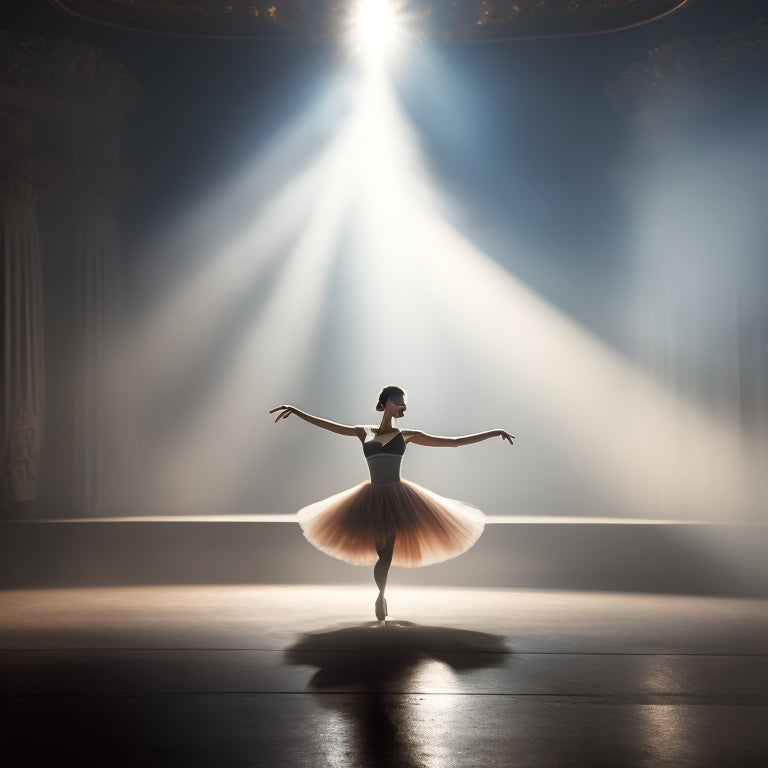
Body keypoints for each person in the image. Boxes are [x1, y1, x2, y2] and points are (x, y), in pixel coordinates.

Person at [270, 385, 514, 621]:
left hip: (399, 499)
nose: (402, 406)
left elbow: (454, 441)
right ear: (385, 403)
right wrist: (296, 410)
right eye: (398, 401)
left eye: (403, 402)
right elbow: (328, 426)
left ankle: (380, 596)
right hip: (371, 498)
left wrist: (494, 433)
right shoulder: (363, 432)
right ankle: (382, 595)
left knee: (386, 552)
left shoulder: (406, 436)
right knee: (381, 552)